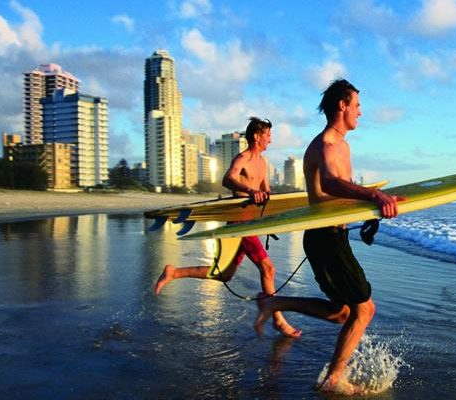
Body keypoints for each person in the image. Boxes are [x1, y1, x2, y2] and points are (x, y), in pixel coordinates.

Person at [253, 79, 402, 394]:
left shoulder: (341, 144)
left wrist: (375, 202)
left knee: (342, 313)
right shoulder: (328, 145)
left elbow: (338, 195)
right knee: (365, 309)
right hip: (325, 239)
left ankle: (274, 303)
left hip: (331, 236)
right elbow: (332, 184)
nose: (361, 112)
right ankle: (335, 378)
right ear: (342, 105)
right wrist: (374, 194)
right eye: (357, 105)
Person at [155, 117, 301, 339]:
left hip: (251, 222)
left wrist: (277, 211)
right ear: (256, 136)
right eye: (268, 135)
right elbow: (228, 178)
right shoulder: (242, 158)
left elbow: (266, 193)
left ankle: (174, 272)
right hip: (239, 221)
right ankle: (279, 320)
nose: (271, 139)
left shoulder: (263, 163)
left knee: (224, 274)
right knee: (268, 268)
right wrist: (250, 192)